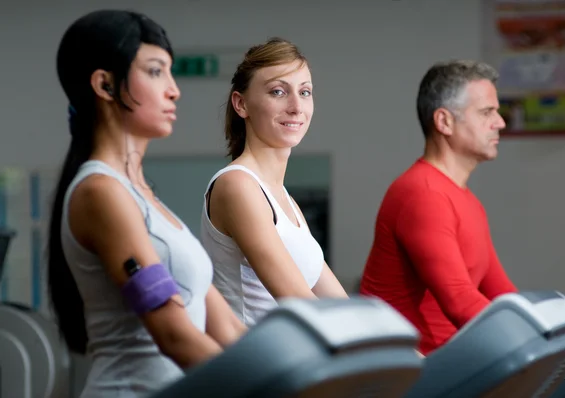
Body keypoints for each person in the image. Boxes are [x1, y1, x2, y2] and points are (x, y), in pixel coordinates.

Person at [47, 10, 246, 397]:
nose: (174, 89)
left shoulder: (147, 202)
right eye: (156, 72)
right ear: (104, 85)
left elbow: (226, 330)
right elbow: (174, 334)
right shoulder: (100, 193)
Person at [359, 60, 518, 355]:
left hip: (446, 365)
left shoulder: (467, 201)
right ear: (444, 121)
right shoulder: (423, 194)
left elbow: (502, 294)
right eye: (487, 112)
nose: (500, 123)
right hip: (412, 374)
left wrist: (547, 334)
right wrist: (529, 338)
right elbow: (459, 300)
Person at [199, 37, 348, 327]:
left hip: (294, 363)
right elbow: (299, 301)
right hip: (255, 367)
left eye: (305, 92)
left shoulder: (286, 202)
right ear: (241, 104)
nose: (296, 107)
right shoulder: (237, 185)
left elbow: (340, 305)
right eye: (278, 91)